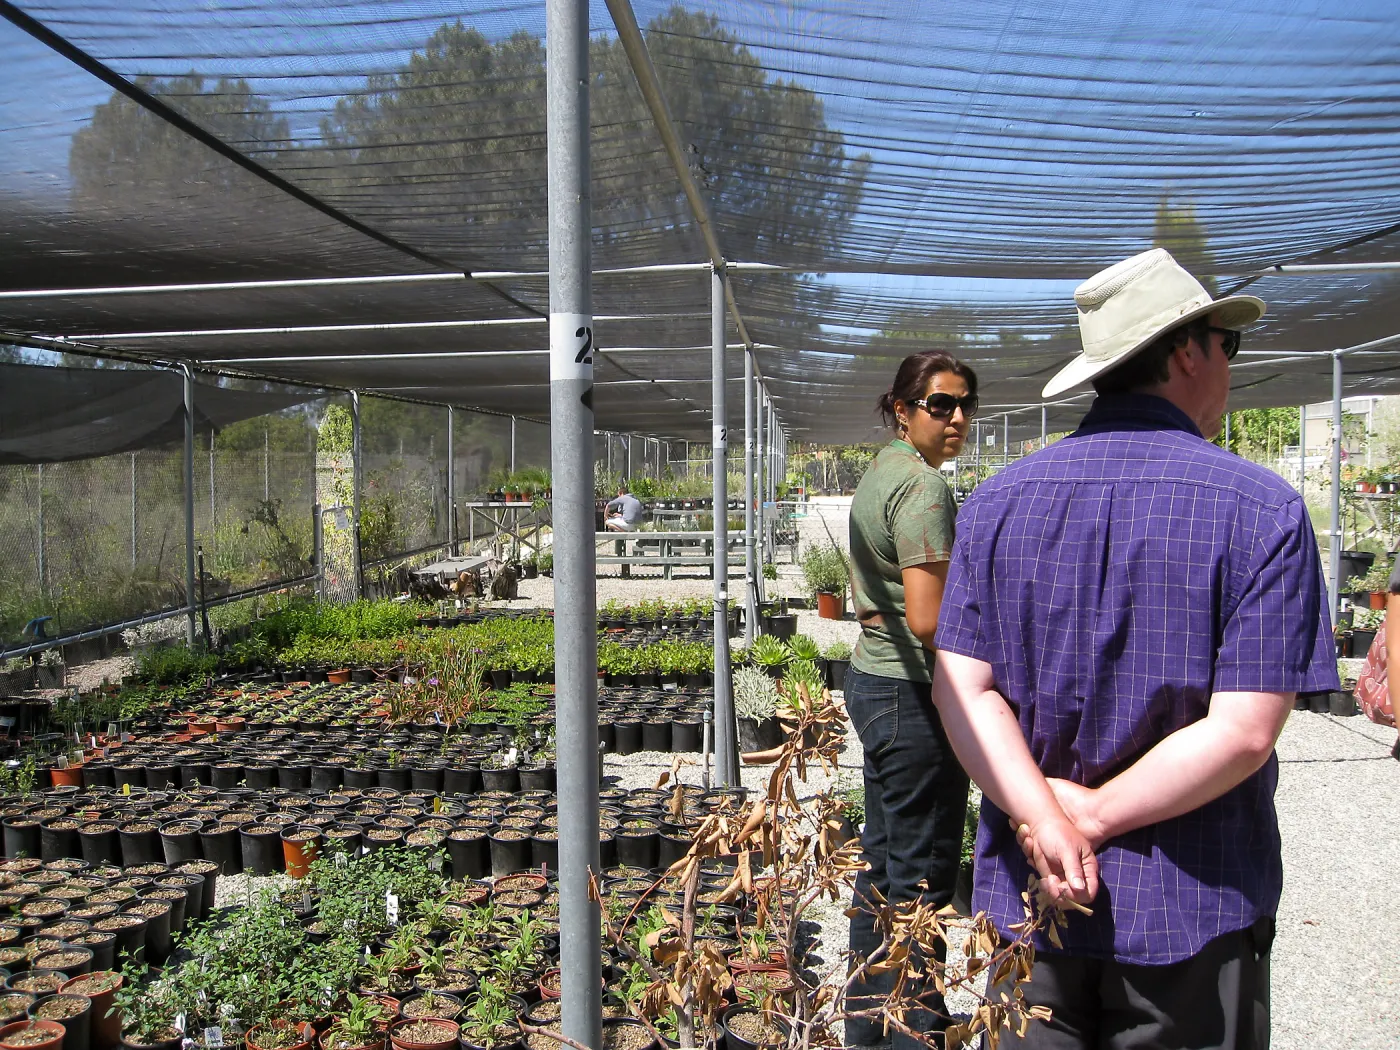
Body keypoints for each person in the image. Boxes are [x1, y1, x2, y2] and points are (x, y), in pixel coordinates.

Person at [929, 247, 1338, 1049]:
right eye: (1229, 342)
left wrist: (1050, 821)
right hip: (1191, 906)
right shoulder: (1262, 511)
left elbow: (961, 691)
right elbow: (1245, 730)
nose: (1229, 362)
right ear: (1187, 350)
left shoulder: (995, 504)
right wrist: (1090, 817)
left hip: (1033, 905)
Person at [844, 350, 977, 1049]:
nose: (955, 417)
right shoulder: (925, 487)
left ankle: (866, 1026)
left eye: (963, 404)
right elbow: (929, 619)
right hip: (910, 692)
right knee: (920, 880)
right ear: (904, 409)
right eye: (939, 404)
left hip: (875, 679)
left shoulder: (882, 472)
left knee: (883, 865)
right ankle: (913, 1031)